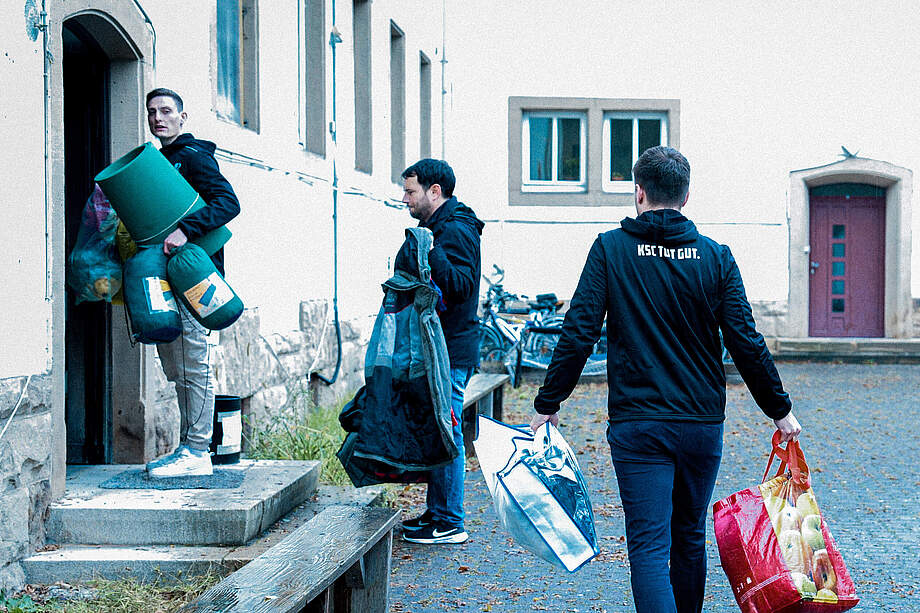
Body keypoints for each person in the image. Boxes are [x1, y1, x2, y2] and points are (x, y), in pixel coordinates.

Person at [529, 146, 801, 613]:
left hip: (640, 425)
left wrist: (548, 402)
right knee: (689, 538)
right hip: (699, 423)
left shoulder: (611, 250)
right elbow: (746, 342)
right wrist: (780, 410)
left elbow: (579, 331)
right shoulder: (716, 257)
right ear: (687, 195)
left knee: (650, 547)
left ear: (638, 193)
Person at [143, 88, 241, 478]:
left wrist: (186, 229)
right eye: (152, 112)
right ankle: (190, 448)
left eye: (166, 111)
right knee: (179, 365)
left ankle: (198, 451)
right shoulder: (160, 160)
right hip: (168, 276)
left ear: (183, 117)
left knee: (193, 361)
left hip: (195, 277)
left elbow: (228, 202)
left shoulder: (194, 157)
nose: (158, 118)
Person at [396, 159, 484, 545]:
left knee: (447, 432)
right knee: (438, 428)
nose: (405, 199)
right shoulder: (435, 227)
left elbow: (461, 286)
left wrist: (429, 250)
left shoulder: (457, 230)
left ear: (435, 191)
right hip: (439, 348)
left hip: (452, 349)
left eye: (411, 191)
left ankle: (450, 521)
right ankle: (438, 513)